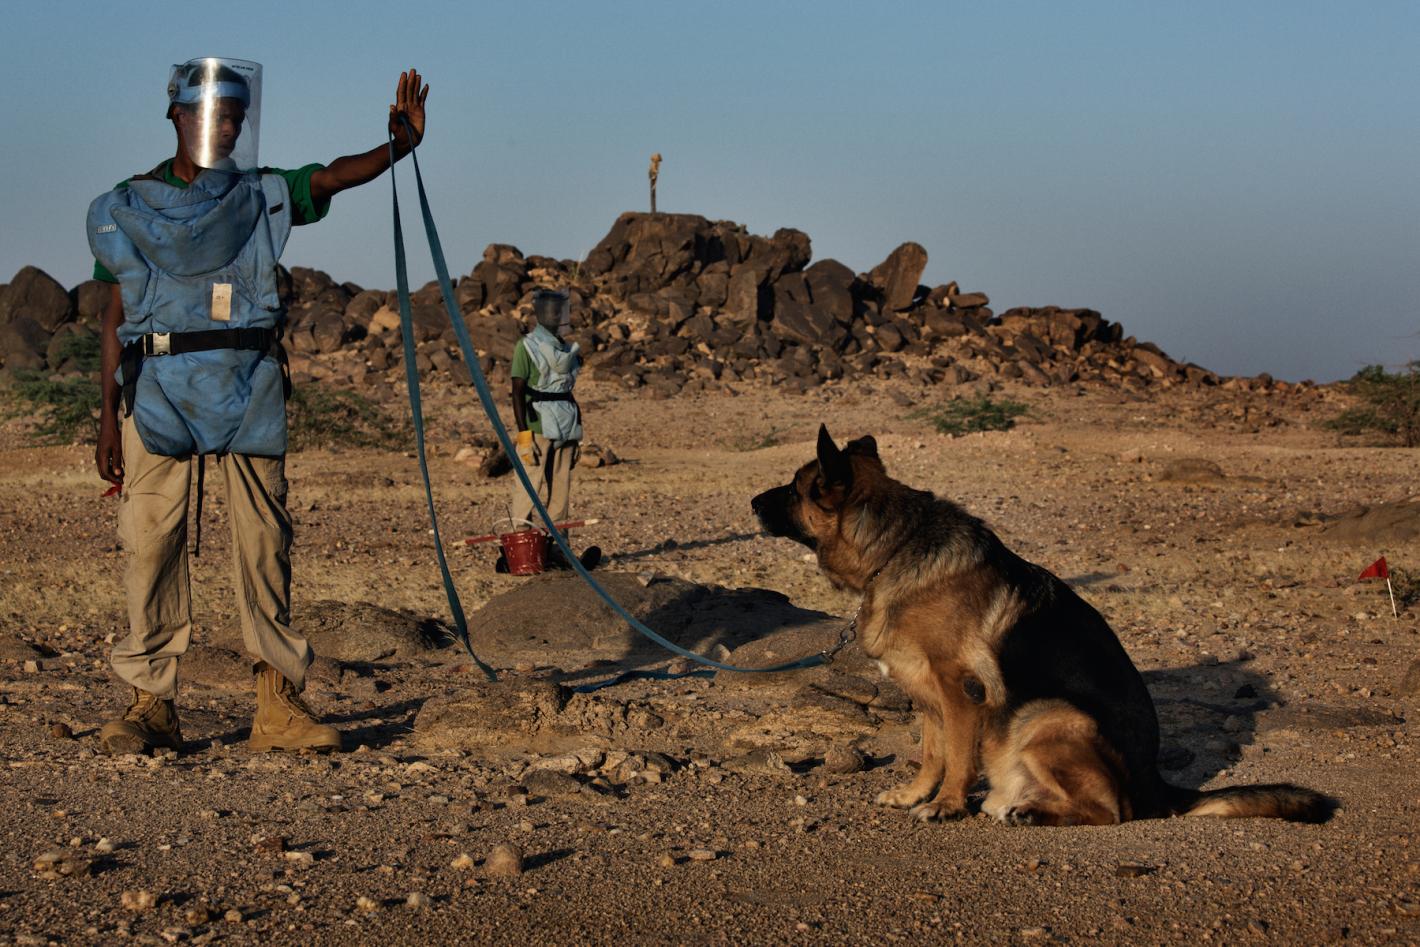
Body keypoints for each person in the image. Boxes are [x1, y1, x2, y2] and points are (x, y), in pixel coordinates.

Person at [87, 59, 431, 755]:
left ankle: (277, 702)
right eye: (217, 114)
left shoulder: (260, 194)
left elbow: (330, 177)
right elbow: (114, 313)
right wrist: (106, 414)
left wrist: (398, 147)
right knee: (150, 542)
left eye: (237, 117)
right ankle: (151, 703)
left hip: (246, 384)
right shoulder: (131, 205)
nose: (228, 127)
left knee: (264, 542)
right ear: (179, 116)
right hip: (156, 388)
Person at [500, 289, 600, 573]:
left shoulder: (566, 348)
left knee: (560, 490)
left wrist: (577, 431)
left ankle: (559, 549)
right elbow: (517, 390)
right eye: (552, 310)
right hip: (537, 427)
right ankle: (520, 549)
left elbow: (567, 391)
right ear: (540, 312)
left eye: (560, 310)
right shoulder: (526, 346)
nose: (557, 315)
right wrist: (523, 434)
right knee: (528, 487)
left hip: (566, 426)